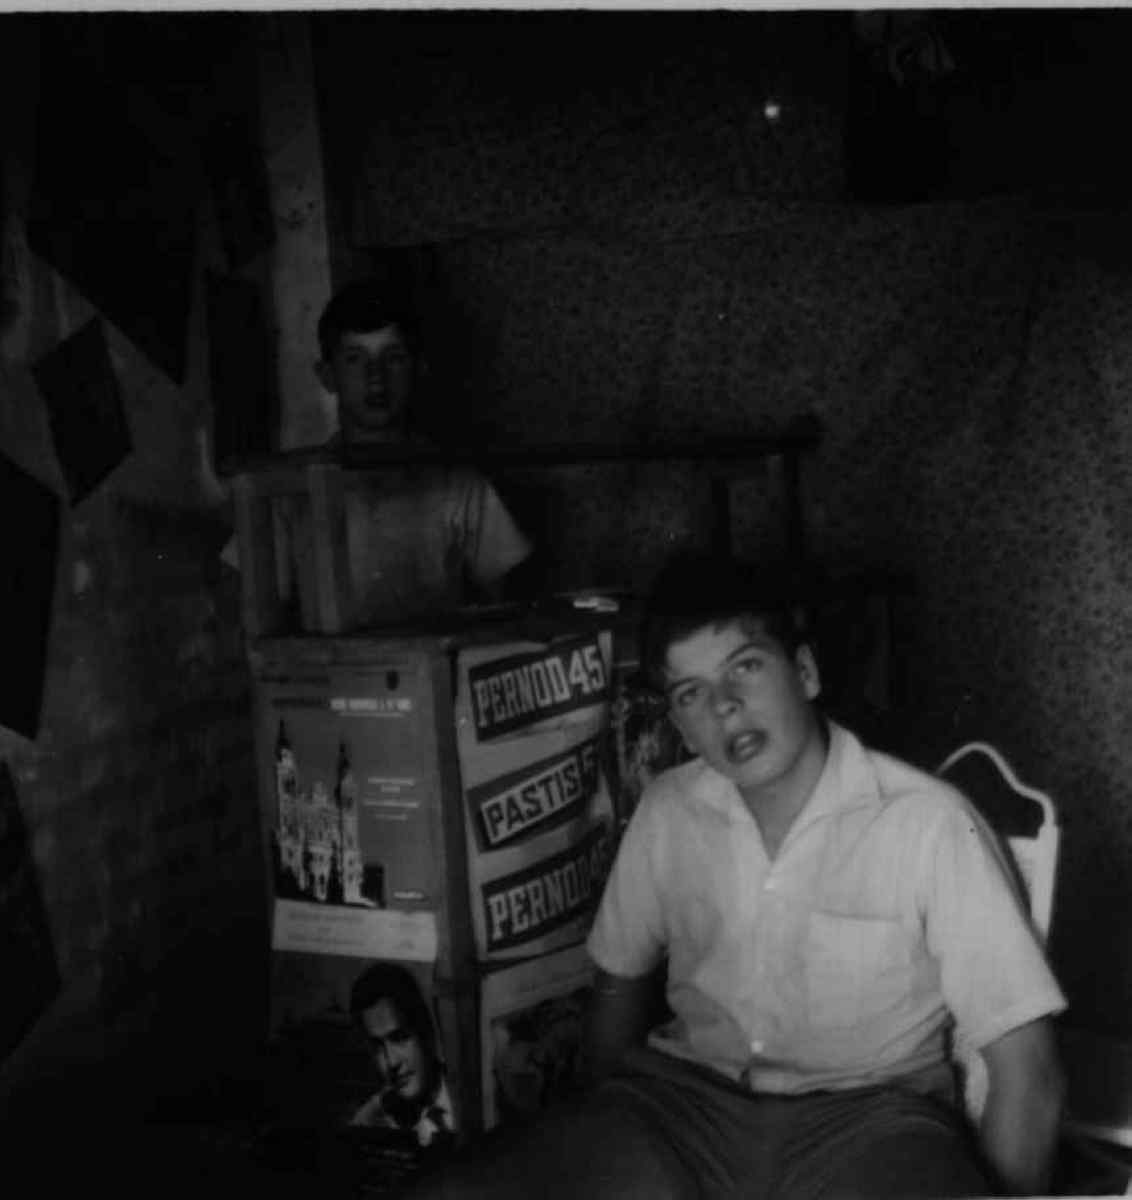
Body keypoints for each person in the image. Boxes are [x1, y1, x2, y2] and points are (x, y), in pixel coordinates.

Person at [408, 551, 1066, 1200]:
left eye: (745, 667)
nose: (724, 706)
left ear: (805, 672)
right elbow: (616, 992)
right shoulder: (669, 808)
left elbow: (1029, 1075)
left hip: (871, 1123)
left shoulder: (929, 823)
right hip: (682, 1113)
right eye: (692, 693)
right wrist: (602, 1137)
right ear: (680, 725)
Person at [226, 280, 533, 629]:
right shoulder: (291, 489)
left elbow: (510, 595)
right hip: (328, 664)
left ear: (418, 366)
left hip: (430, 661)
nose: (376, 378)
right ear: (328, 375)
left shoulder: (456, 480)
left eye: (394, 357)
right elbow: (247, 606)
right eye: (355, 359)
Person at [349, 961, 456, 1148]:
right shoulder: (368, 1123)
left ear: (426, 1033)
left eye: (399, 1038)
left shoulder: (473, 1092)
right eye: (377, 1047)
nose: (391, 1062)